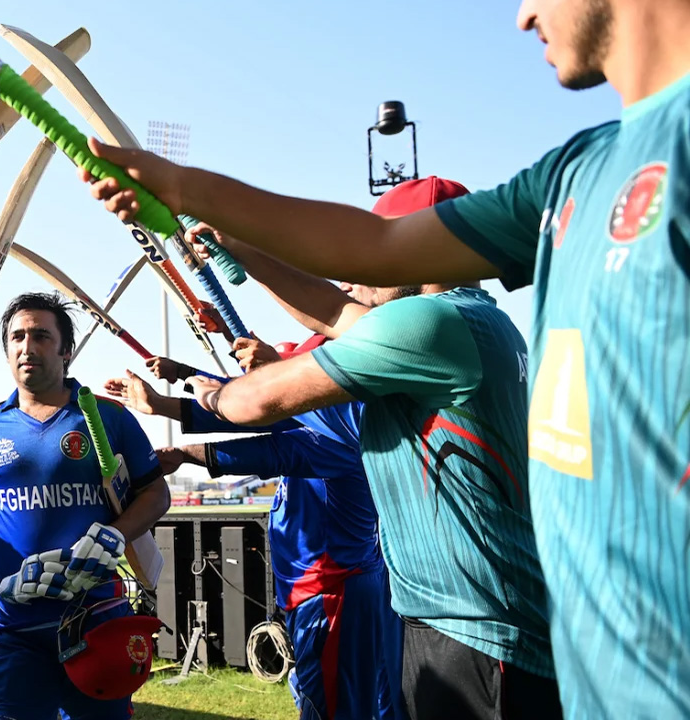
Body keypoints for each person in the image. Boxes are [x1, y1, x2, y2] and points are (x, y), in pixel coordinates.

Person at [83, 4, 689, 713]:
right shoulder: (575, 172)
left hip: (494, 637)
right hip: (536, 639)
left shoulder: (433, 327)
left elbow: (265, 398)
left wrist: (182, 403)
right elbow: (362, 268)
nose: (523, 16)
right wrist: (197, 205)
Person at [103, 180, 555, 718]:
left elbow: (259, 406)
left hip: (475, 631)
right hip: (463, 617)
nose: (362, 265)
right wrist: (241, 247)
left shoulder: (431, 325)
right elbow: (333, 313)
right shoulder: (476, 321)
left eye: (377, 248)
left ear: (421, 248)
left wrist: (199, 390)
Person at [109, 340, 399, 720]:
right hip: (335, 588)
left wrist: (184, 452)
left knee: (334, 708)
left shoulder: (338, 430)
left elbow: (267, 443)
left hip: (333, 594)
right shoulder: (340, 415)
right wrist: (179, 376)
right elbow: (242, 405)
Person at [0, 292, 170, 720]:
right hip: (11, 623)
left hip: (94, 619)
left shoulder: (106, 417)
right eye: (17, 337)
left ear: (66, 350)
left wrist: (115, 533)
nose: (27, 346)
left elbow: (156, 494)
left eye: (40, 335)